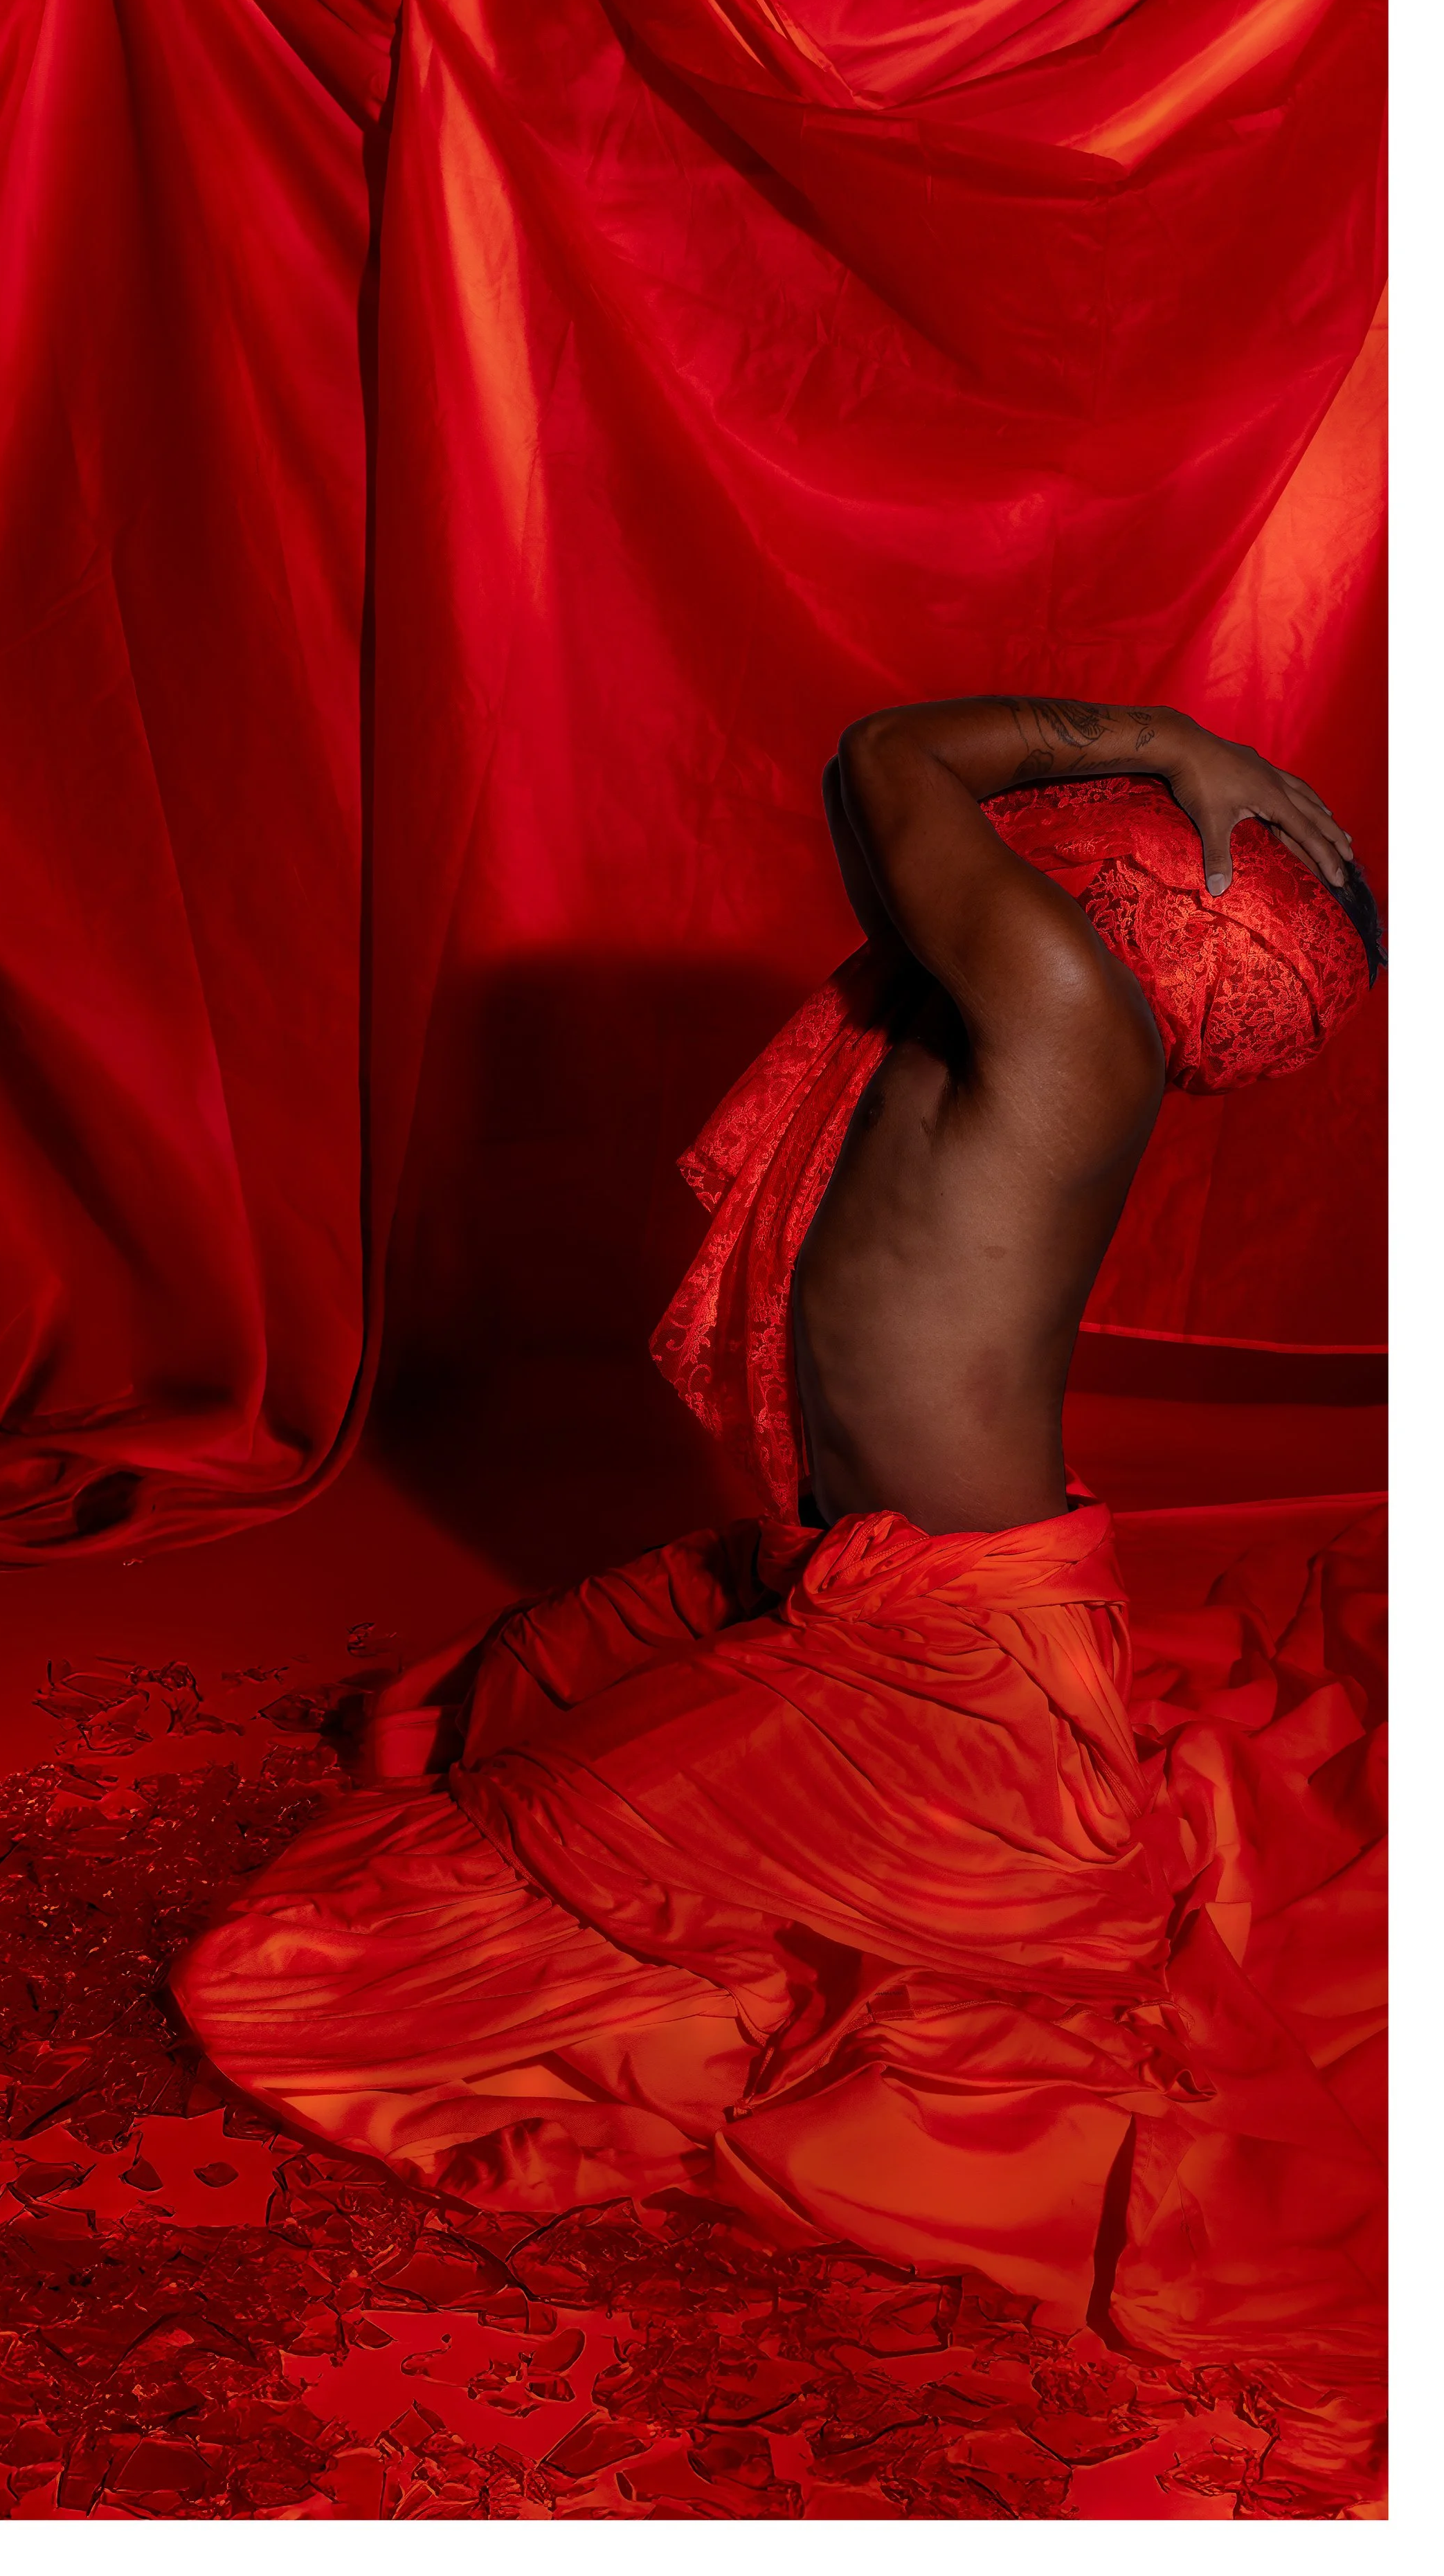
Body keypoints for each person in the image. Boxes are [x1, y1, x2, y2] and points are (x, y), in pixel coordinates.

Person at [170, 701, 1382, 2374]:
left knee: (356, 1954)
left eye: (1145, 827)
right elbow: (861, 789)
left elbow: (891, 756)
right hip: (877, 1583)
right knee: (499, 1707)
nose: (1109, 818)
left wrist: (1159, 736)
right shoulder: (1011, 1009)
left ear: (1163, 904)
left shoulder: (1064, 1019)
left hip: (960, 1662)